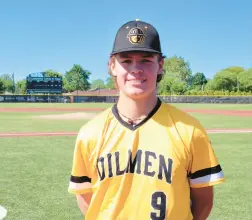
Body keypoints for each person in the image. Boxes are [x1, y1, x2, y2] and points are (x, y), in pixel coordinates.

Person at [68, 19, 225, 220]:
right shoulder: (90, 133)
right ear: (112, 66)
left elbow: (203, 200)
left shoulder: (190, 130)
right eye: (126, 61)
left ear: (160, 65)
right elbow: (87, 198)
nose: (136, 69)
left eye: (146, 60)